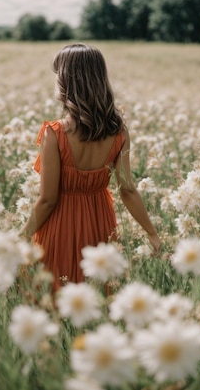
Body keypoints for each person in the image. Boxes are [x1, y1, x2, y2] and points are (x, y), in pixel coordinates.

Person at [21, 43, 161, 293]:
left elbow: (47, 200)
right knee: (98, 297)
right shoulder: (119, 132)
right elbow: (127, 190)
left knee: (56, 299)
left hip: (59, 226)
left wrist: (20, 237)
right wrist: (152, 233)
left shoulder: (54, 133)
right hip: (100, 224)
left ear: (65, 81)